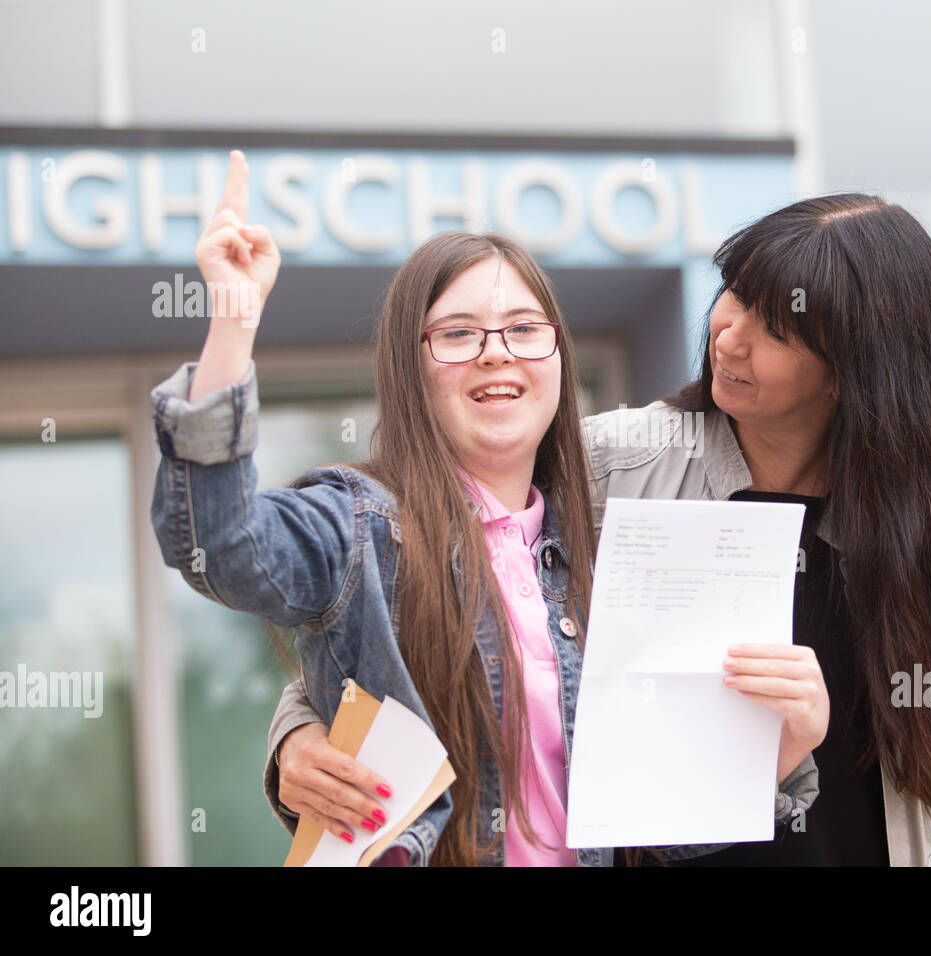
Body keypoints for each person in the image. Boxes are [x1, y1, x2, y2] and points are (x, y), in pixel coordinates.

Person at [270, 192, 931, 866]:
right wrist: (295, 738)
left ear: (860, 367)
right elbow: (393, 590)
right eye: (733, 295)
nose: (728, 334)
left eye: (776, 327)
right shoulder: (605, 467)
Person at [150, 150, 826, 867]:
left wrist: (782, 748)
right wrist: (233, 319)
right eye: (458, 333)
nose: (496, 353)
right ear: (412, 369)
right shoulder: (361, 527)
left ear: (559, 359)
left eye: (525, 329)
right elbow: (220, 548)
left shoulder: (604, 553)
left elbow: (657, 837)